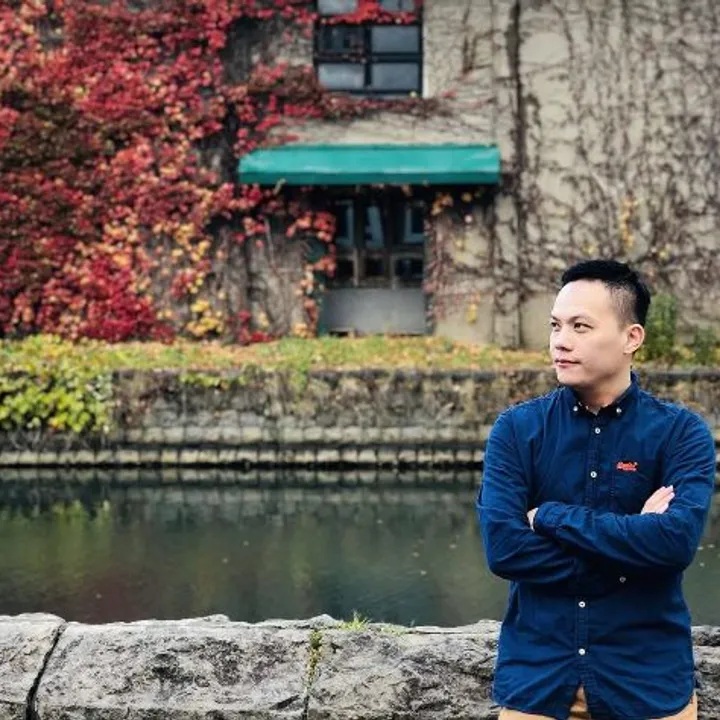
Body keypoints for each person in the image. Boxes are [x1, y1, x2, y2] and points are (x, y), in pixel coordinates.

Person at [476, 259, 715, 720]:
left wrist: (550, 517)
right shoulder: (516, 430)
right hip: (539, 680)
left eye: (580, 326)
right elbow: (505, 550)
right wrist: (633, 547)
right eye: (556, 325)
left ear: (632, 338)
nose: (560, 341)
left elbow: (673, 544)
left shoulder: (681, 434)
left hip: (647, 681)